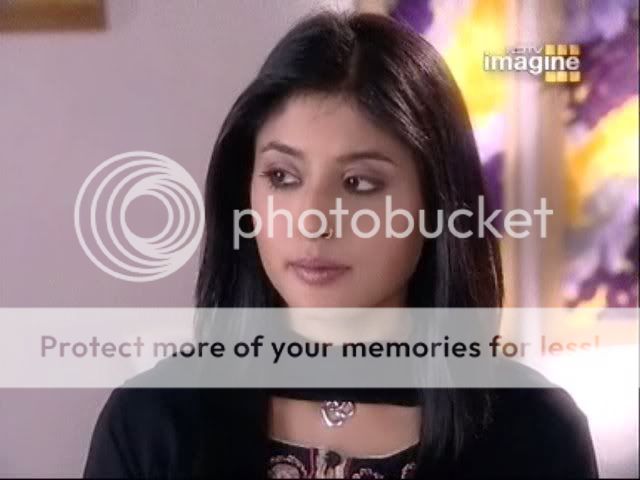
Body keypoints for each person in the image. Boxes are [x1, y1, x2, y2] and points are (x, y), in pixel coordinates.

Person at [83, 11, 599, 478]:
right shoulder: (152, 420)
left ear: (437, 203)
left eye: (359, 183)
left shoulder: (535, 433)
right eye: (282, 176)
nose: (312, 221)